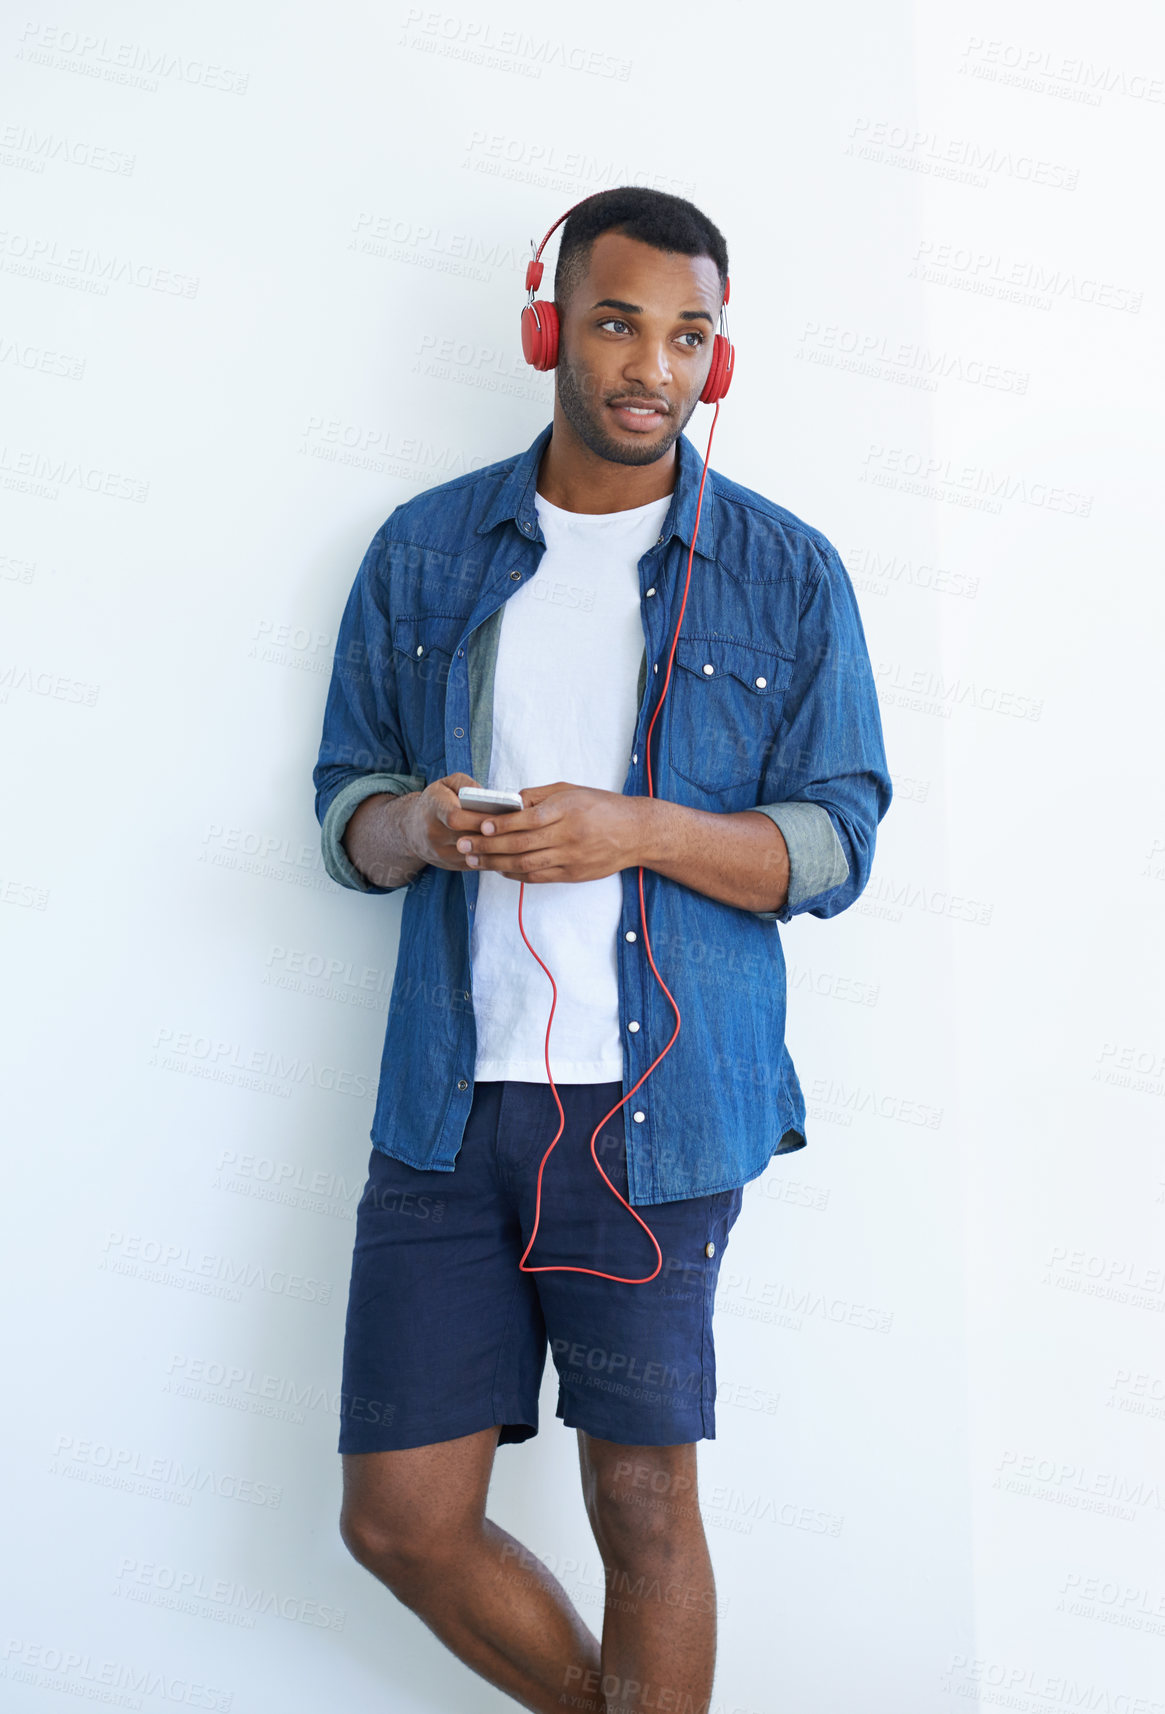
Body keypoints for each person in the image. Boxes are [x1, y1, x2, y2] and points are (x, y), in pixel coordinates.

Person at [312, 186, 891, 1714]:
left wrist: (637, 829)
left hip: (657, 1115)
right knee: (399, 1517)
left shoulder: (784, 570)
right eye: (618, 320)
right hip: (447, 1105)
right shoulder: (425, 550)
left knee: (639, 1507)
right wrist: (420, 827)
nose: (651, 364)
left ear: (719, 357)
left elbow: (834, 844)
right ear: (547, 327)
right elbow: (345, 812)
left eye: (687, 334)